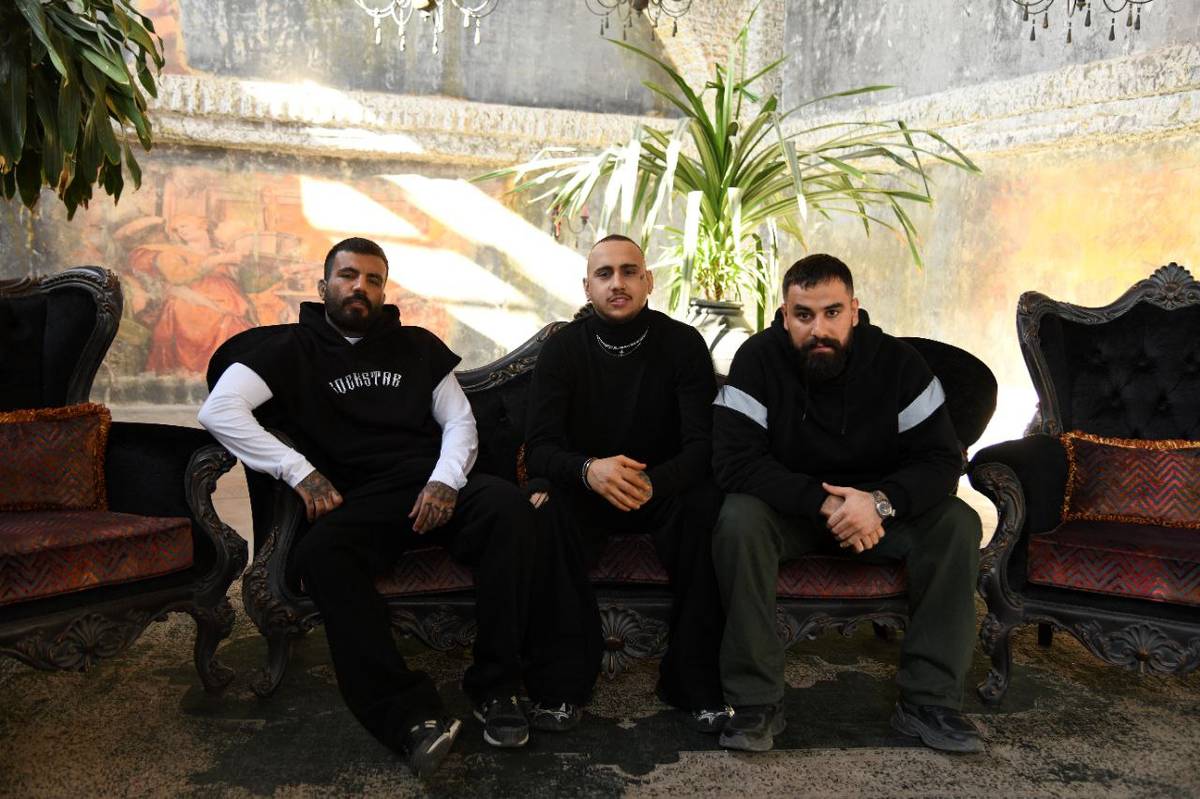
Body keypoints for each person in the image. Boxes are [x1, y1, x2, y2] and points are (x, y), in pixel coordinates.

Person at [199, 237, 549, 776]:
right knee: (322, 556)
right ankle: (409, 718)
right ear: (324, 286)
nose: (359, 287)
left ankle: (497, 686)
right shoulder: (287, 349)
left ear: (384, 291)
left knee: (509, 508)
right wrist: (299, 471)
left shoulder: (416, 345)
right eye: (348, 276)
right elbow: (220, 410)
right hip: (361, 499)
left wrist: (444, 482)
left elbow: (459, 421)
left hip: (434, 485)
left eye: (373, 279)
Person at [710, 253, 984, 754]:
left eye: (832, 312)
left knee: (957, 523)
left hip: (879, 515)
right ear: (784, 314)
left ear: (854, 310)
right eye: (804, 315)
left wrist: (879, 503)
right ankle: (754, 701)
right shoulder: (757, 359)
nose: (819, 329)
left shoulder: (900, 364)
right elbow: (733, 462)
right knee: (738, 519)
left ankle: (930, 701)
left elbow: (941, 459)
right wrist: (825, 502)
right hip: (792, 514)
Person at [522, 234, 731, 733]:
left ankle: (693, 684)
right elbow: (541, 446)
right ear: (587, 287)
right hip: (586, 488)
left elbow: (702, 445)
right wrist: (588, 470)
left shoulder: (682, 344)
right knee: (544, 515)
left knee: (709, 513)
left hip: (663, 489)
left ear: (648, 281)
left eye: (629, 271)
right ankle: (562, 686)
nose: (618, 283)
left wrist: (653, 484)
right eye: (605, 273)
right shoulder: (563, 349)